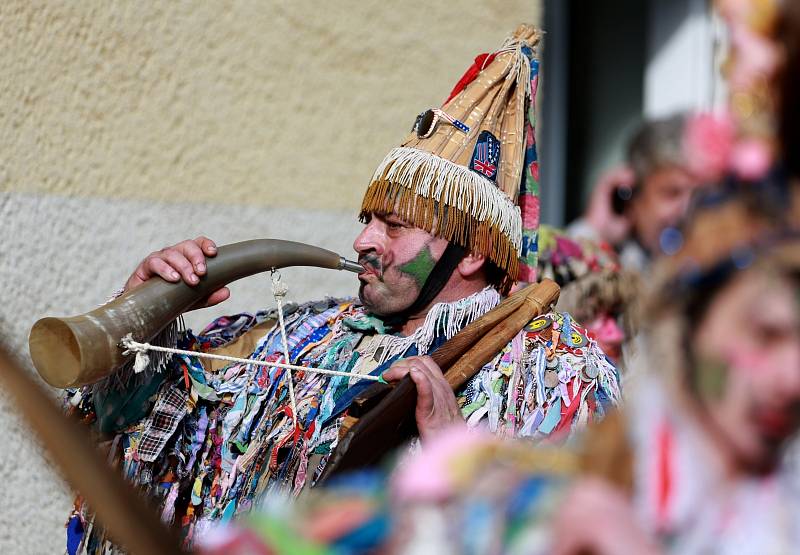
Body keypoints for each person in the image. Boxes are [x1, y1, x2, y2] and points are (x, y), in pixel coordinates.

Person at [65, 25, 621, 553]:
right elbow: (153, 449)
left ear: (471, 252)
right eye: (368, 219)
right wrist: (141, 321)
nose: (362, 240)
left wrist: (460, 462)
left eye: (394, 226)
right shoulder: (305, 336)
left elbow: (574, 531)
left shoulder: (558, 372)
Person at [569, 114, 706, 272]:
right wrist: (595, 227)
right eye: (671, 193)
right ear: (634, 196)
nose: (687, 209)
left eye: (699, 194)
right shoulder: (619, 264)